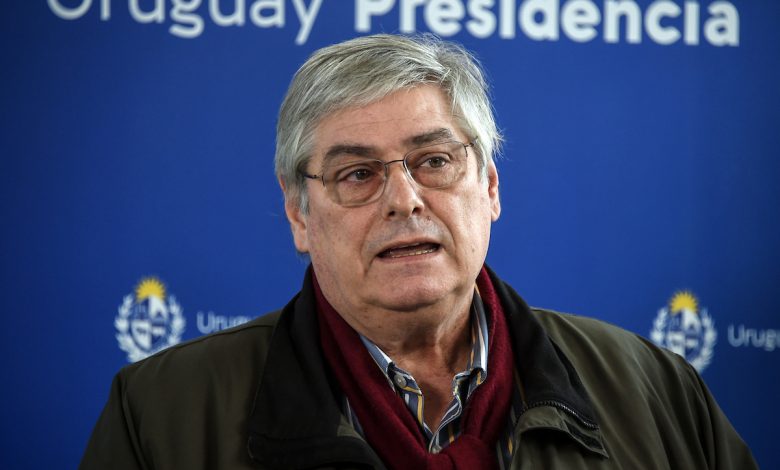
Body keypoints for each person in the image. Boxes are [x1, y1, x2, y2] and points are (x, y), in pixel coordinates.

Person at [80, 34, 757, 470]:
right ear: (299, 215)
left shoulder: (658, 393)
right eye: (357, 174)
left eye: (434, 160)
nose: (404, 200)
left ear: (489, 188)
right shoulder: (159, 416)